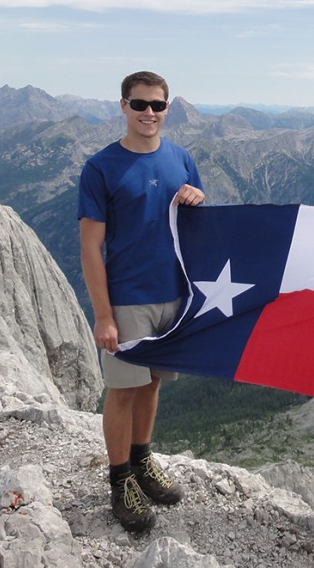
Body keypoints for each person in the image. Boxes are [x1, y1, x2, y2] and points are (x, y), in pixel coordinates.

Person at [78, 70, 205, 533]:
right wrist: (104, 315)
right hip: (127, 297)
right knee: (124, 389)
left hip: (173, 295)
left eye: (157, 105)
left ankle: (142, 460)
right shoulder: (101, 167)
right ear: (123, 107)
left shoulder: (182, 159)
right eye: (139, 104)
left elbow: (194, 221)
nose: (149, 113)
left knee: (151, 384)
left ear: (168, 109)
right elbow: (91, 247)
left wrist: (198, 194)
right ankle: (120, 482)